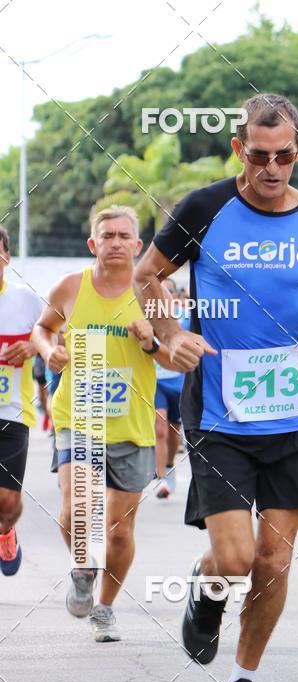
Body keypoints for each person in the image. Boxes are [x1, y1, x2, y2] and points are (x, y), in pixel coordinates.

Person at [134, 93, 298, 682]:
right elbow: (149, 279)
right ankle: (205, 597)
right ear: (240, 150)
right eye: (260, 156)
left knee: (274, 562)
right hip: (221, 413)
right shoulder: (204, 208)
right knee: (232, 559)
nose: (273, 169)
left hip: (292, 412)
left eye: (285, 156)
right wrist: (171, 334)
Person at [33, 206, 176, 639]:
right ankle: (82, 565)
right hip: (78, 416)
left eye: (124, 235)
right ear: (93, 244)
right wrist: (48, 350)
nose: (116, 242)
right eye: (107, 235)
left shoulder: (154, 296)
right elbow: (42, 328)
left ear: (138, 245)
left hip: (131, 427)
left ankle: (106, 606)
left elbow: (177, 357)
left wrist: (152, 343)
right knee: (77, 506)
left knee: (119, 531)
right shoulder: (71, 287)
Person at [0, 225, 44, 575]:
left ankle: (6, 530)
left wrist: (33, 346)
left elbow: (56, 336)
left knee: (8, 501)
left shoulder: (25, 300)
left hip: (13, 413)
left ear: (7, 257)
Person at [154, 277, 189, 499]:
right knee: (160, 428)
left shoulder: (184, 316)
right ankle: (160, 480)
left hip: (177, 380)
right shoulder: (146, 314)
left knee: (174, 430)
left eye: (166, 291)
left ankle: (168, 466)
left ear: (174, 296)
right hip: (155, 379)